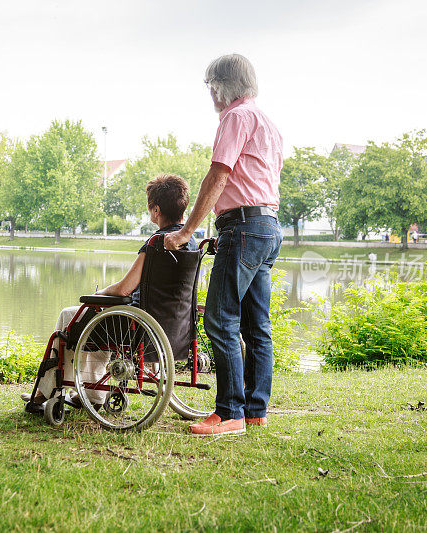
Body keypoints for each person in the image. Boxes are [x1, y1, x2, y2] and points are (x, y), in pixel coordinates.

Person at [165, 53, 283, 436]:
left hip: (246, 229)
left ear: (221, 85)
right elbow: (255, 183)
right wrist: (224, 225)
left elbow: (220, 174)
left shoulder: (235, 117)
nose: (210, 94)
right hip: (265, 226)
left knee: (220, 319)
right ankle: (254, 410)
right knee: (256, 325)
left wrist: (187, 232)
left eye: (210, 86)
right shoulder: (267, 122)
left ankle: (230, 413)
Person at [29, 173, 197, 406]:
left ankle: (44, 394)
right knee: (97, 321)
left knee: (71, 316)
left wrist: (99, 293)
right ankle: (92, 394)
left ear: (156, 210)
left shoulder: (156, 242)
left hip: (137, 326)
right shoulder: (192, 242)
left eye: (150, 208)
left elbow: (124, 289)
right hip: (173, 327)